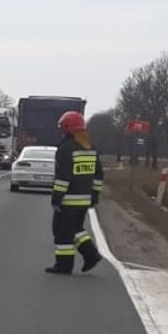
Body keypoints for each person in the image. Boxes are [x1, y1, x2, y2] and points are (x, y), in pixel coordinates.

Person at [47, 110, 103, 274]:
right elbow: (98, 175)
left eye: (62, 127)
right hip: (84, 200)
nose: (61, 131)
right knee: (76, 228)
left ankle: (64, 265)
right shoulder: (90, 147)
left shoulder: (66, 148)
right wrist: (95, 195)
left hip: (68, 200)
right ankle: (91, 255)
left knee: (61, 232)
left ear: (67, 128)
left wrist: (57, 197)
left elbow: (63, 177)